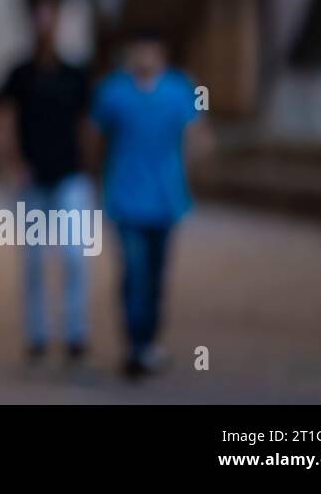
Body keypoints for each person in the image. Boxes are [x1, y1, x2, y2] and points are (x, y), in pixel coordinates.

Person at [87, 26, 212, 378]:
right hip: (125, 200)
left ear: (162, 55)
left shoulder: (178, 90)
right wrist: (95, 178)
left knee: (156, 276)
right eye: (138, 51)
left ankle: (149, 341)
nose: (144, 58)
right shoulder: (113, 92)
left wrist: (190, 170)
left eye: (150, 51)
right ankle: (135, 346)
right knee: (133, 273)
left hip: (167, 200)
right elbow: (93, 137)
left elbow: (197, 136)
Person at [0, 0, 93, 363]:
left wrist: (90, 167)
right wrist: (12, 165)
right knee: (33, 262)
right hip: (32, 182)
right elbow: (3, 123)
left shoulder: (76, 75)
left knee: (75, 257)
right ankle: (36, 334)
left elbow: (86, 127)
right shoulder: (19, 74)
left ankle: (75, 332)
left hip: (70, 179)